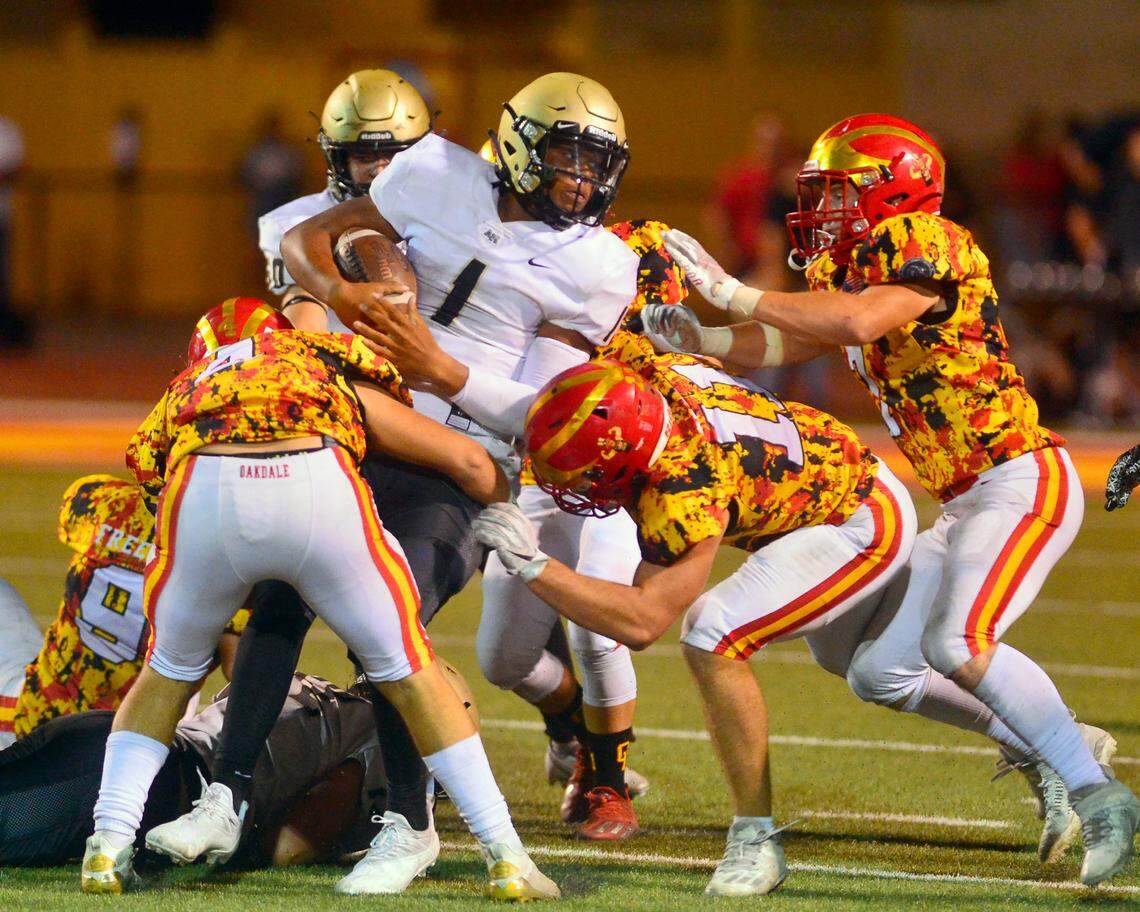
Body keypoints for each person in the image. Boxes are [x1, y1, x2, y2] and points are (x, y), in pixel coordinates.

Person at [642, 113, 1138, 887]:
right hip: (961, 499)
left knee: (958, 646)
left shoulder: (930, 241)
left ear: (896, 188)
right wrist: (699, 337)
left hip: (1019, 478)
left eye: (839, 192)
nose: (823, 209)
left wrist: (735, 292)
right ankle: (1054, 740)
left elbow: (854, 320)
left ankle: (1100, 795)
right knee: (877, 671)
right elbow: (793, 341)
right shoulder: (859, 266)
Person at [281, 71, 647, 865]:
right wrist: (347, 300)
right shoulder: (436, 172)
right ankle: (239, 783)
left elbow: (546, 415)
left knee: (572, 626)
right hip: (393, 437)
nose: (581, 179)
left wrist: (436, 368)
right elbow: (310, 242)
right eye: (565, 155)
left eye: (595, 163)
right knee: (496, 655)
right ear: (518, 146)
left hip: (517, 460)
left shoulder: (602, 265)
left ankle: (597, 770)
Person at [80, 297, 557, 901]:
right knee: (410, 671)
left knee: (167, 673)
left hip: (201, 490)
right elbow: (386, 394)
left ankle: (108, 843)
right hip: (314, 479)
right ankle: (505, 855)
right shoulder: (318, 353)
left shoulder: (185, 385)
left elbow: (150, 472)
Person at [474, 351, 916, 895]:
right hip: (812, 497)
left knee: (713, 633)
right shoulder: (640, 373)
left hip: (859, 517)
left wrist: (535, 565)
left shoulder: (684, 486)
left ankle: (755, 840)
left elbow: (642, 622)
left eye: (583, 474)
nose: (569, 484)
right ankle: (1036, 742)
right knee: (881, 671)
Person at [0, 476, 245, 748]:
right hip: (138, 745)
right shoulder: (232, 560)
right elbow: (247, 681)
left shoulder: (106, 503)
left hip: (35, 721)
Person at [1106, 444, 1140, 511]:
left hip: (1131, 471)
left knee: (1121, 500)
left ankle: (1114, 498)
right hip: (1127, 462)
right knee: (1113, 485)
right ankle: (1113, 498)